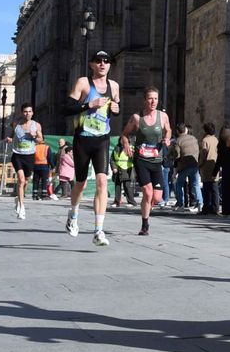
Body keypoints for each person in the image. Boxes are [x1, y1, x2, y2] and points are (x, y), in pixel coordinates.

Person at [64, 50, 120, 246]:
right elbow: (68, 108)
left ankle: (98, 230)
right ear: (91, 64)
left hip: (102, 139)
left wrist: (116, 110)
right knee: (80, 184)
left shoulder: (114, 86)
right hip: (82, 139)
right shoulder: (83, 83)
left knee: (102, 183)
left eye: (106, 61)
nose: (103, 64)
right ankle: (73, 213)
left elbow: (114, 109)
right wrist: (89, 105)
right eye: (98, 61)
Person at [121, 88, 172, 236]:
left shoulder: (163, 116)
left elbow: (168, 129)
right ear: (145, 100)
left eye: (155, 99)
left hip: (157, 160)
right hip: (141, 159)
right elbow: (124, 134)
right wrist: (126, 144)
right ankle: (145, 225)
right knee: (147, 193)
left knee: (156, 197)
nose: (153, 102)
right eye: (150, 99)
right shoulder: (137, 118)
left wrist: (167, 138)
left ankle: (148, 208)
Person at [5, 104, 42, 220]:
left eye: (30, 111)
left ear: (32, 113)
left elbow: (41, 139)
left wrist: (35, 136)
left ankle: (18, 199)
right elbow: (10, 136)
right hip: (17, 155)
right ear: (22, 113)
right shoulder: (16, 124)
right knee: (21, 180)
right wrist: (9, 139)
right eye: (25, 111)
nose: (28, 114)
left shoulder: (36, 125)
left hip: (29, 156)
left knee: (25, 182)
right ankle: (22, 206)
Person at [170, 123, 201, 212]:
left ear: (177, 131)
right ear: (186, 130)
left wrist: (176, 169)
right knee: (195, 185)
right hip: (195, 164)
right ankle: (200, 203)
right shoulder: (194, 139)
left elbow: (177, 155)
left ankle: (180, 204)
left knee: (179, 184)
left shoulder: (178, 141)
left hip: (184, 166)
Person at [199, 122, 220, 214]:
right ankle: (215, 207)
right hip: (215, 164)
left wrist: (199, 164)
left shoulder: (205, 140)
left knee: (206, 188)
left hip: (206, 166)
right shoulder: (216, 140)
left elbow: (203, 154)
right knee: (214, 188)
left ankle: (206, 207)